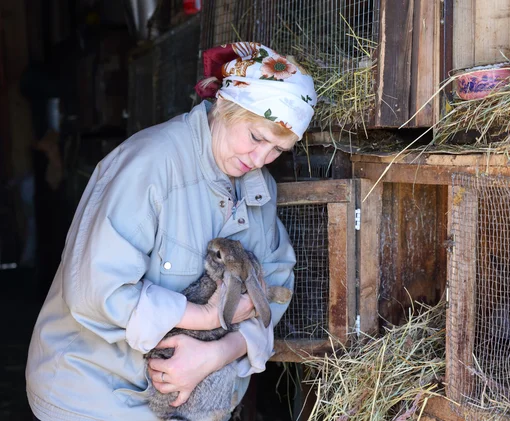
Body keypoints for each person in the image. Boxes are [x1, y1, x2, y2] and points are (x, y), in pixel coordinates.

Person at [26, 41, 317, 421]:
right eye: (257, 138)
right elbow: (95, 291)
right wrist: (207, 317)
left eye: (278, 149)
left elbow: (276, 283)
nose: (260, 159)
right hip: (99, 393)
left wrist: (219, 351)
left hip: (190, 401)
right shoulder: (149, 165)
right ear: (227, 106)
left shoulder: (257, 185)